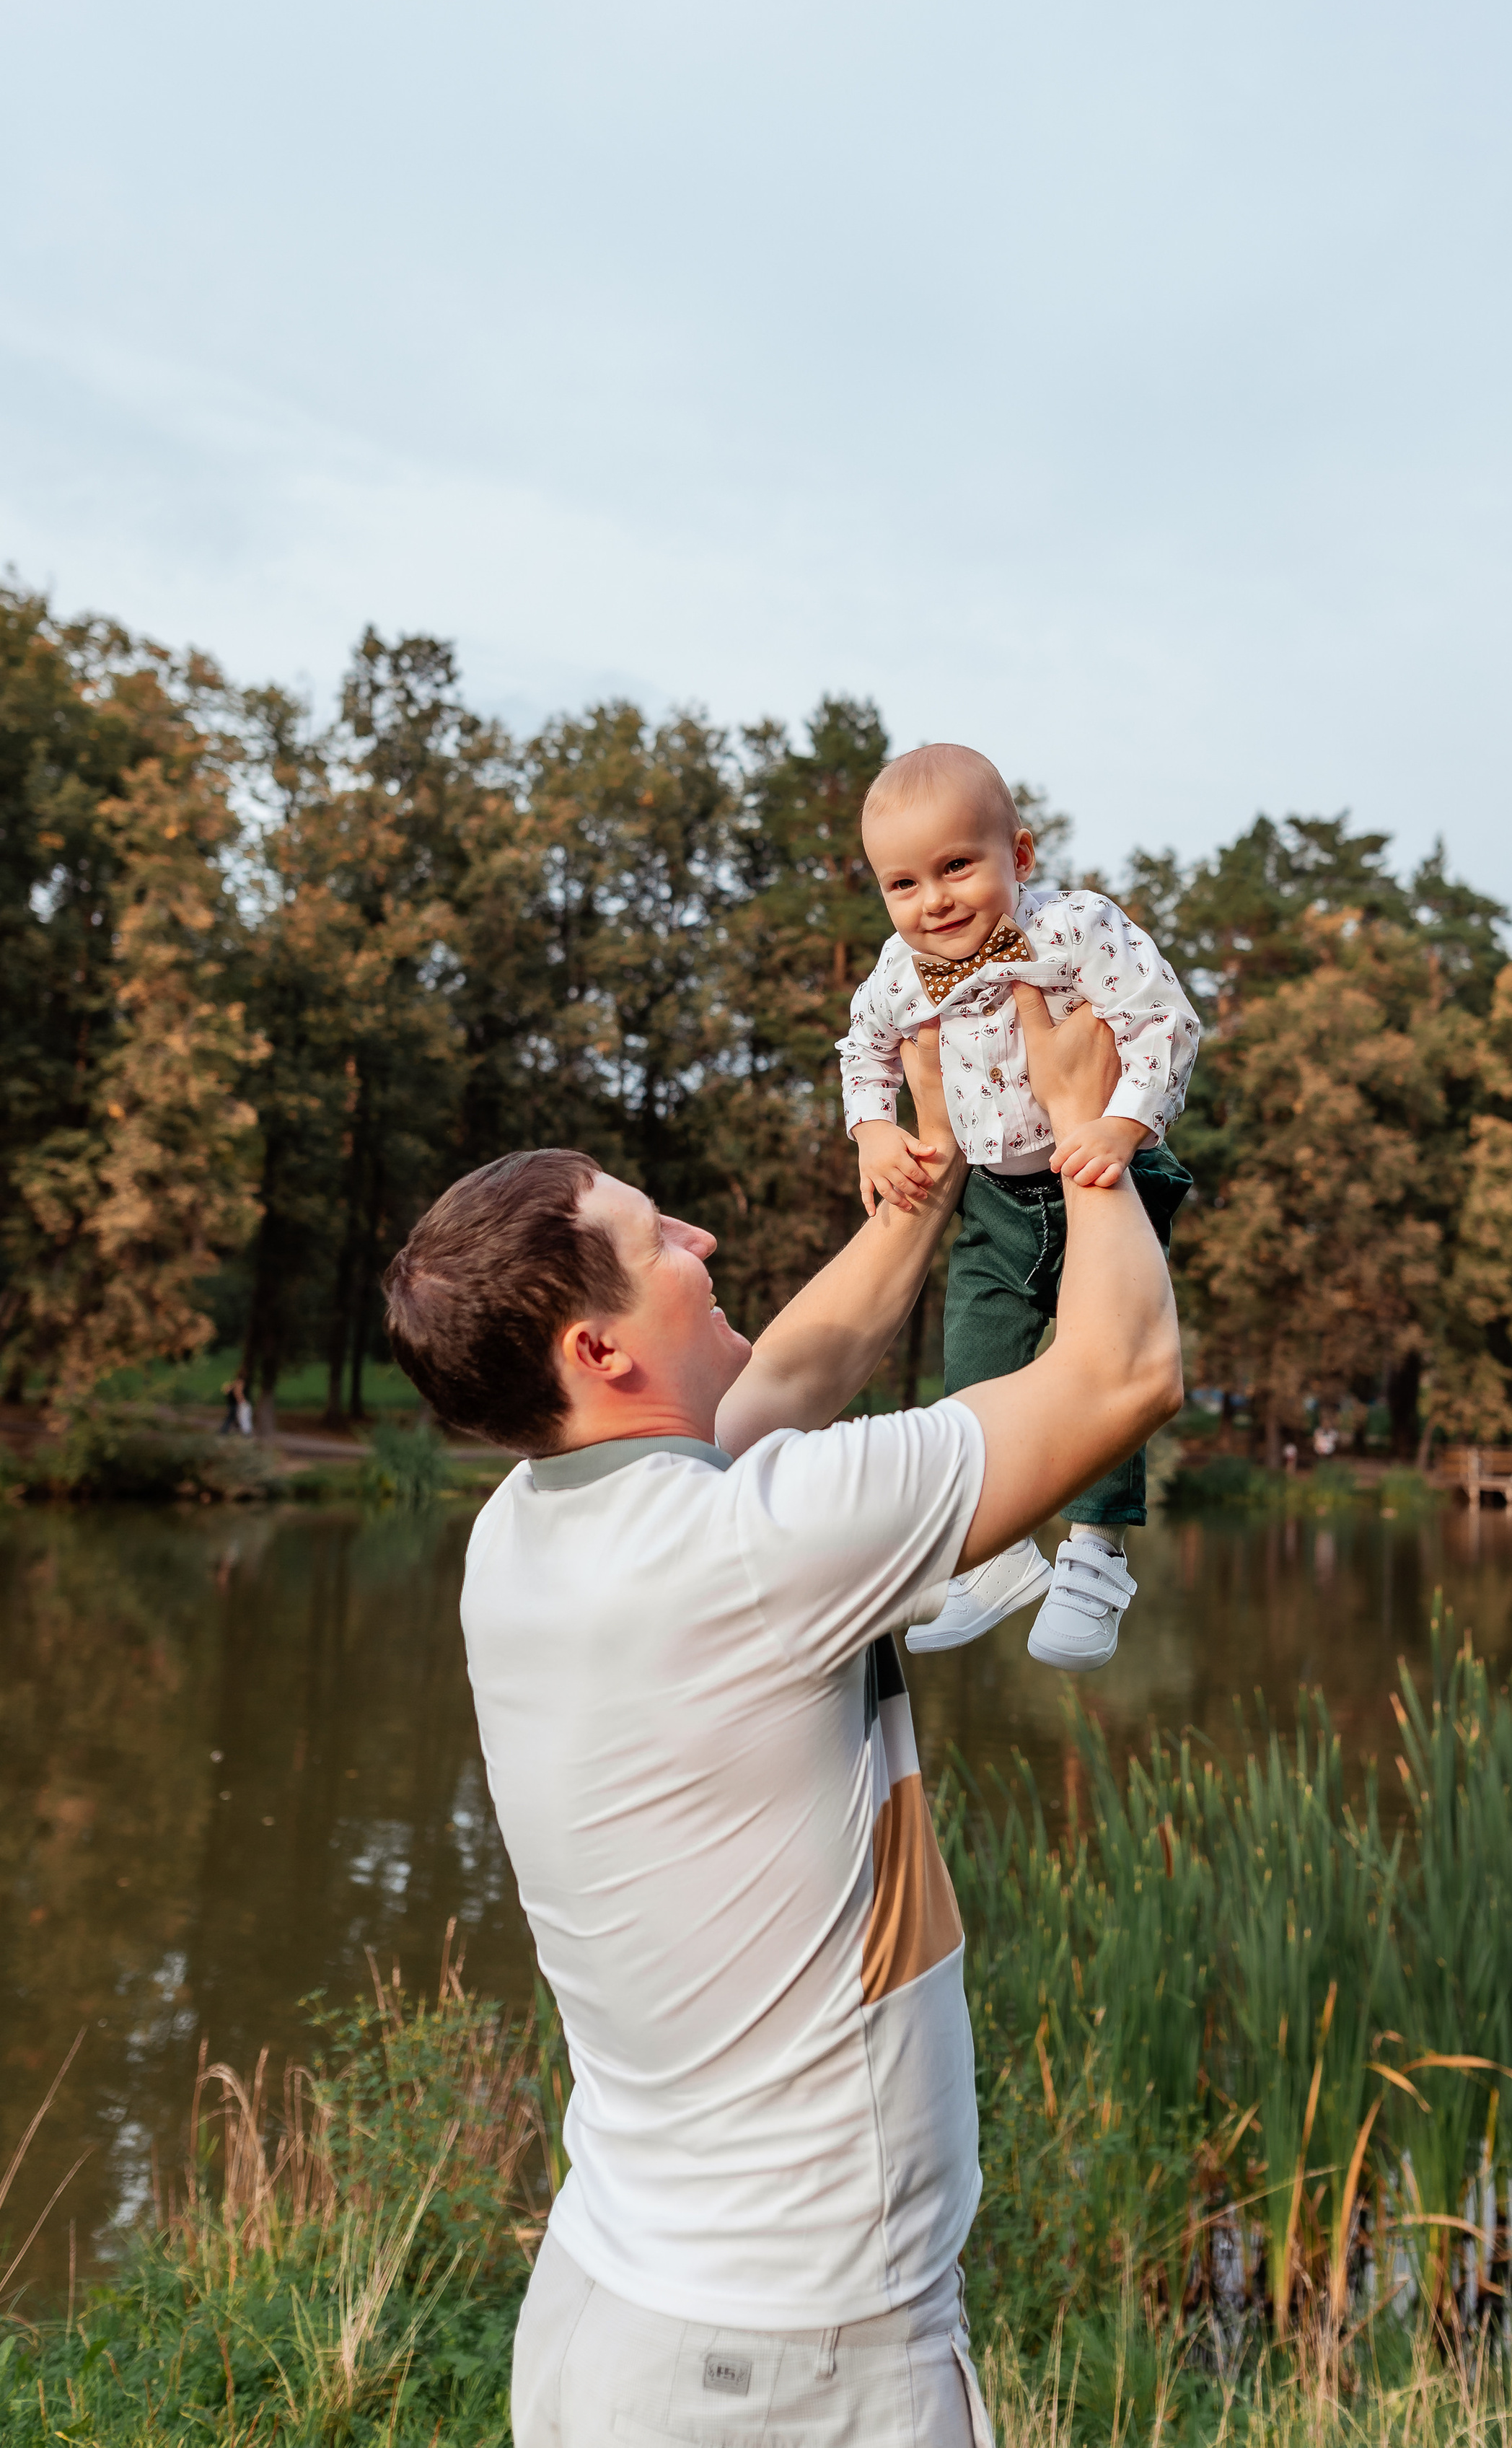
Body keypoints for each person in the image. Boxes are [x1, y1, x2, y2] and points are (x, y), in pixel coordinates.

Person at [380, 995, 1181, 2448]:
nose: (696, 1240)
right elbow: (1119, 1376)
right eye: (653, 1240)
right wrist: (1088, 1136)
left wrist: (921, 1189)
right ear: (598, 1350)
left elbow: (797, 1373)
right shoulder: (749, 1550)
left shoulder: (534, 1525)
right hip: (783, 2367)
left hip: (626, 2313)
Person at [838, 742, 1199, 1671]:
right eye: (904, 883)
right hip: (998, 1192)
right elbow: (862, 1049)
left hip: (1099, 1172)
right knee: (975, 1357)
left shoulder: (1076, 927)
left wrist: (1123, 1127)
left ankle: (1096, 1554)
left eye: (958, 866)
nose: (936, 901)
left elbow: (1164, 1021)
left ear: (1020, 857)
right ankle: (988, 1555)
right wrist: (875, 1131)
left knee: (1104, 1360)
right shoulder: (898, 967)